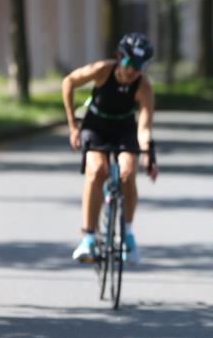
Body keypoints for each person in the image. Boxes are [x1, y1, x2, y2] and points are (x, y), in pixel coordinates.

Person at [63, 32, 158, 264]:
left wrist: (149, 155)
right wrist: (73, 126)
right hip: (96, 125)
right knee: (97, 171)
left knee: (127, 172)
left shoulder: (143, 86)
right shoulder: (103, 70)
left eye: (138, 67)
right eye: (128, 63)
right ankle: (88, 237)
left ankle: (127, 232)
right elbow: (69, 82)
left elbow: (144, 127)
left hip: (124, 128)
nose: (130, 71)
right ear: (119, 57)